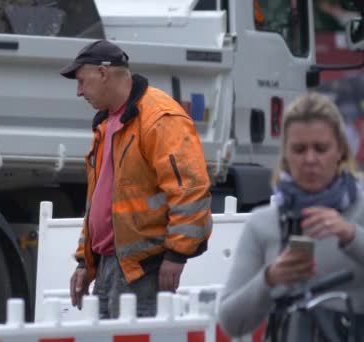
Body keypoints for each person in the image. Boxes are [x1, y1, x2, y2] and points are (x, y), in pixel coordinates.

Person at [60, 40, 212, 318]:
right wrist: (85, 262)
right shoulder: (109, 122)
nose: (79, 91)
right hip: (113, 265)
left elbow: (190, 189)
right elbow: (100, 203)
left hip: (142, 270)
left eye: (82, 81)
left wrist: (177, 255)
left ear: (104, 73)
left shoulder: (158, 117)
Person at [219, 93, 364, 339]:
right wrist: (269, 279)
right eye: (299, 149)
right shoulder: (263, 223)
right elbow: (231, 322)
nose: (310, 159)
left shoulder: (359, 210)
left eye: (321, 148)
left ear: (340, 150)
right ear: (285, 152)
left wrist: (350, 235)